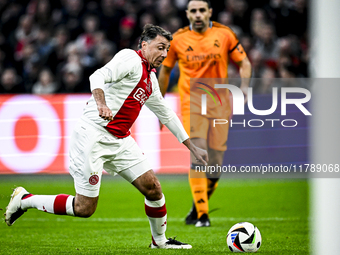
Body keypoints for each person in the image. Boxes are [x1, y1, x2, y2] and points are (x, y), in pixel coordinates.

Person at [5, 24, 208, 249]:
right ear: (144, 45)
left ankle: (159, 242)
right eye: (160, 47)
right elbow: (97, 76)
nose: (164, 54)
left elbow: (166, 113)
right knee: (84, 208)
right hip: (93, 135)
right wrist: (101, 103)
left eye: (167, 49)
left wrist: (192, 146)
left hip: (120, 140)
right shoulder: (130, 59)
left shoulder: (150, 80)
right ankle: (25, 200)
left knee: (153, 188)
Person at [158, 0, 252, 227]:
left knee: (216, 163)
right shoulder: (178, 39)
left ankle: (197, 205)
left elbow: (245, 63)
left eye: (202, 10)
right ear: (187, 13)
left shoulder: (225, 34)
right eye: (194, 11)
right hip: (192, 103)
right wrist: (159, 107)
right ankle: (203, 215)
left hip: (220, 104)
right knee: (199, 155)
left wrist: (245, 87)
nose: (198, 15)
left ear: (210, 12)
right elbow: (165, 70)